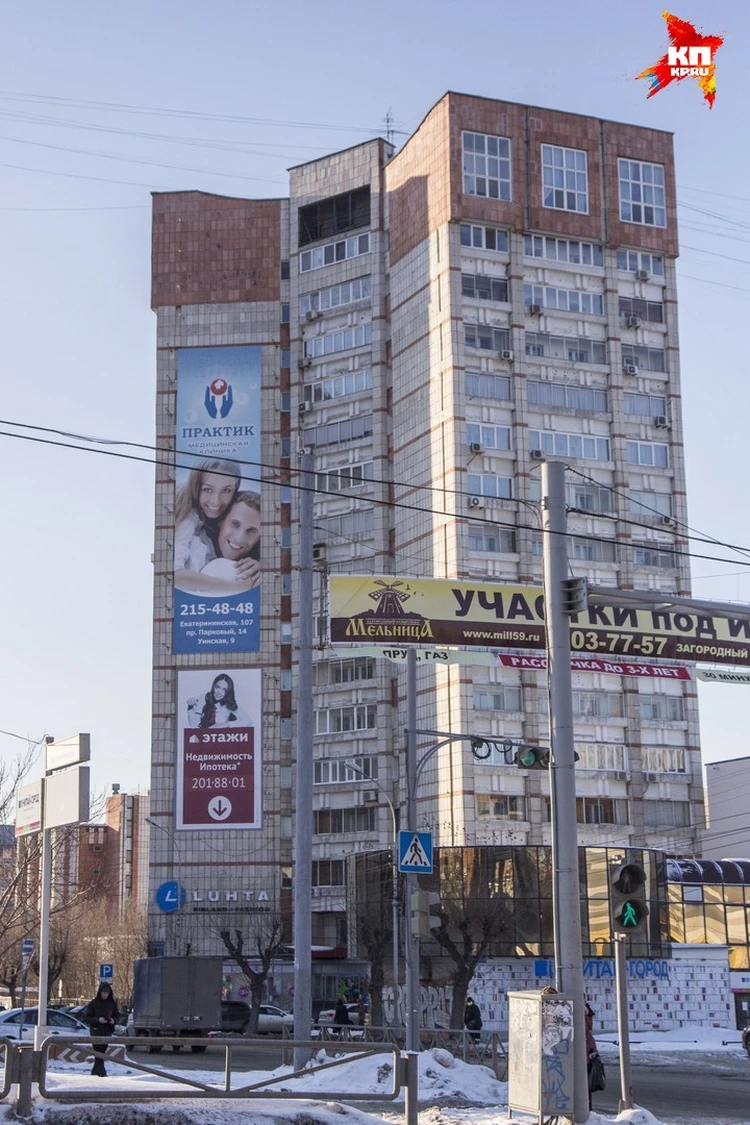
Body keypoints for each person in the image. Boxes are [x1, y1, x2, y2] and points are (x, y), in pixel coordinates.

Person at [179, 490, 261, 595]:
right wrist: (238, 587)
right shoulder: (194, 548)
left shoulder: (255, 567)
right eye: (235, 524)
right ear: (221, 521)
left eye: (251, 531)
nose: (239, 538)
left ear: (259, 538)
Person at [187, 673, 252, 729]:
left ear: (228, 692)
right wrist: (191, 708)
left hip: (221, 739)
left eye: (224, 690)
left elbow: (248, 721)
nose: (219, 692)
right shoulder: (203, 698)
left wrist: (226, 724)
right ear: (213, 686)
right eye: (217, 687)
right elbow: (194, 726)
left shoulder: (229, 704)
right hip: (204, 738)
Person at [84, 982, 119, 1077]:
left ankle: (96, 1072)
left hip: (107, 1030)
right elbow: (87, 1018)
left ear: (109, 993)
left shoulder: (112, 1003)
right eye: (103, 992)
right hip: (96, 1030)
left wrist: (113, 1020)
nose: (104, 994)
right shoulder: (93, 1003)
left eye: (106, 993)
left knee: (102, 1052)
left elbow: (117, 1016)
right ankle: (101, 1073)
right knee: (98, 1052)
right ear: (100, 992)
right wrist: (98, 1020)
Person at [586, 1002, 600, 1109]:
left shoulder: (580, 1011)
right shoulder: (587, 1011)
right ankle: (588, 1109)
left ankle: (587, 1110)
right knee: (586, 1086)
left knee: (584, 1085)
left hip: (585, 1054)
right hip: (589, 1053)